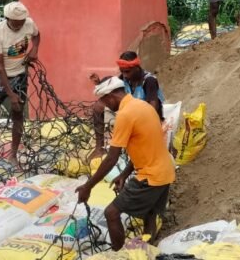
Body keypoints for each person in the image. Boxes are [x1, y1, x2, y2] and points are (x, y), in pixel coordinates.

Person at [75, 77, 175, 251]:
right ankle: (147, 250)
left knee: (111, 213)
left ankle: (118, 254)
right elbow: (146, 146)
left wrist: (88, 186)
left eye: (105, 101)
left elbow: (112, 157)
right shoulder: (143, 106)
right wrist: (123, 175)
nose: (106, 106)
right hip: (166, 171)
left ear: (111, 96)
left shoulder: (125, 115)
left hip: (150, 176)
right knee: (150, 213)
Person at [0, 2, 40, 171]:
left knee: (18, 115)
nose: (20, 24)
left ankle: (13, 155)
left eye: (22, 21)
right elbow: (0, 67)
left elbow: (37, 35)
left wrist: (35, 49)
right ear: (7, 19)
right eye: (16, 22)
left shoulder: (28, 24)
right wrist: (10, 94)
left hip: (19, 75)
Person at [88, 51, 166, 159]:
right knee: (98, 107)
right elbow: (112, 92)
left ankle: (117, 151)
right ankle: (99, 148)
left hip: (147, 119)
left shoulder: (149, 80)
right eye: (122, 71)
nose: (124, 75)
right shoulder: (125, 78)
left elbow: (153, 108)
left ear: (136, 67)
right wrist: (99, 83)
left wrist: (131, 122)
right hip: (130, 114)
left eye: (127, 71)